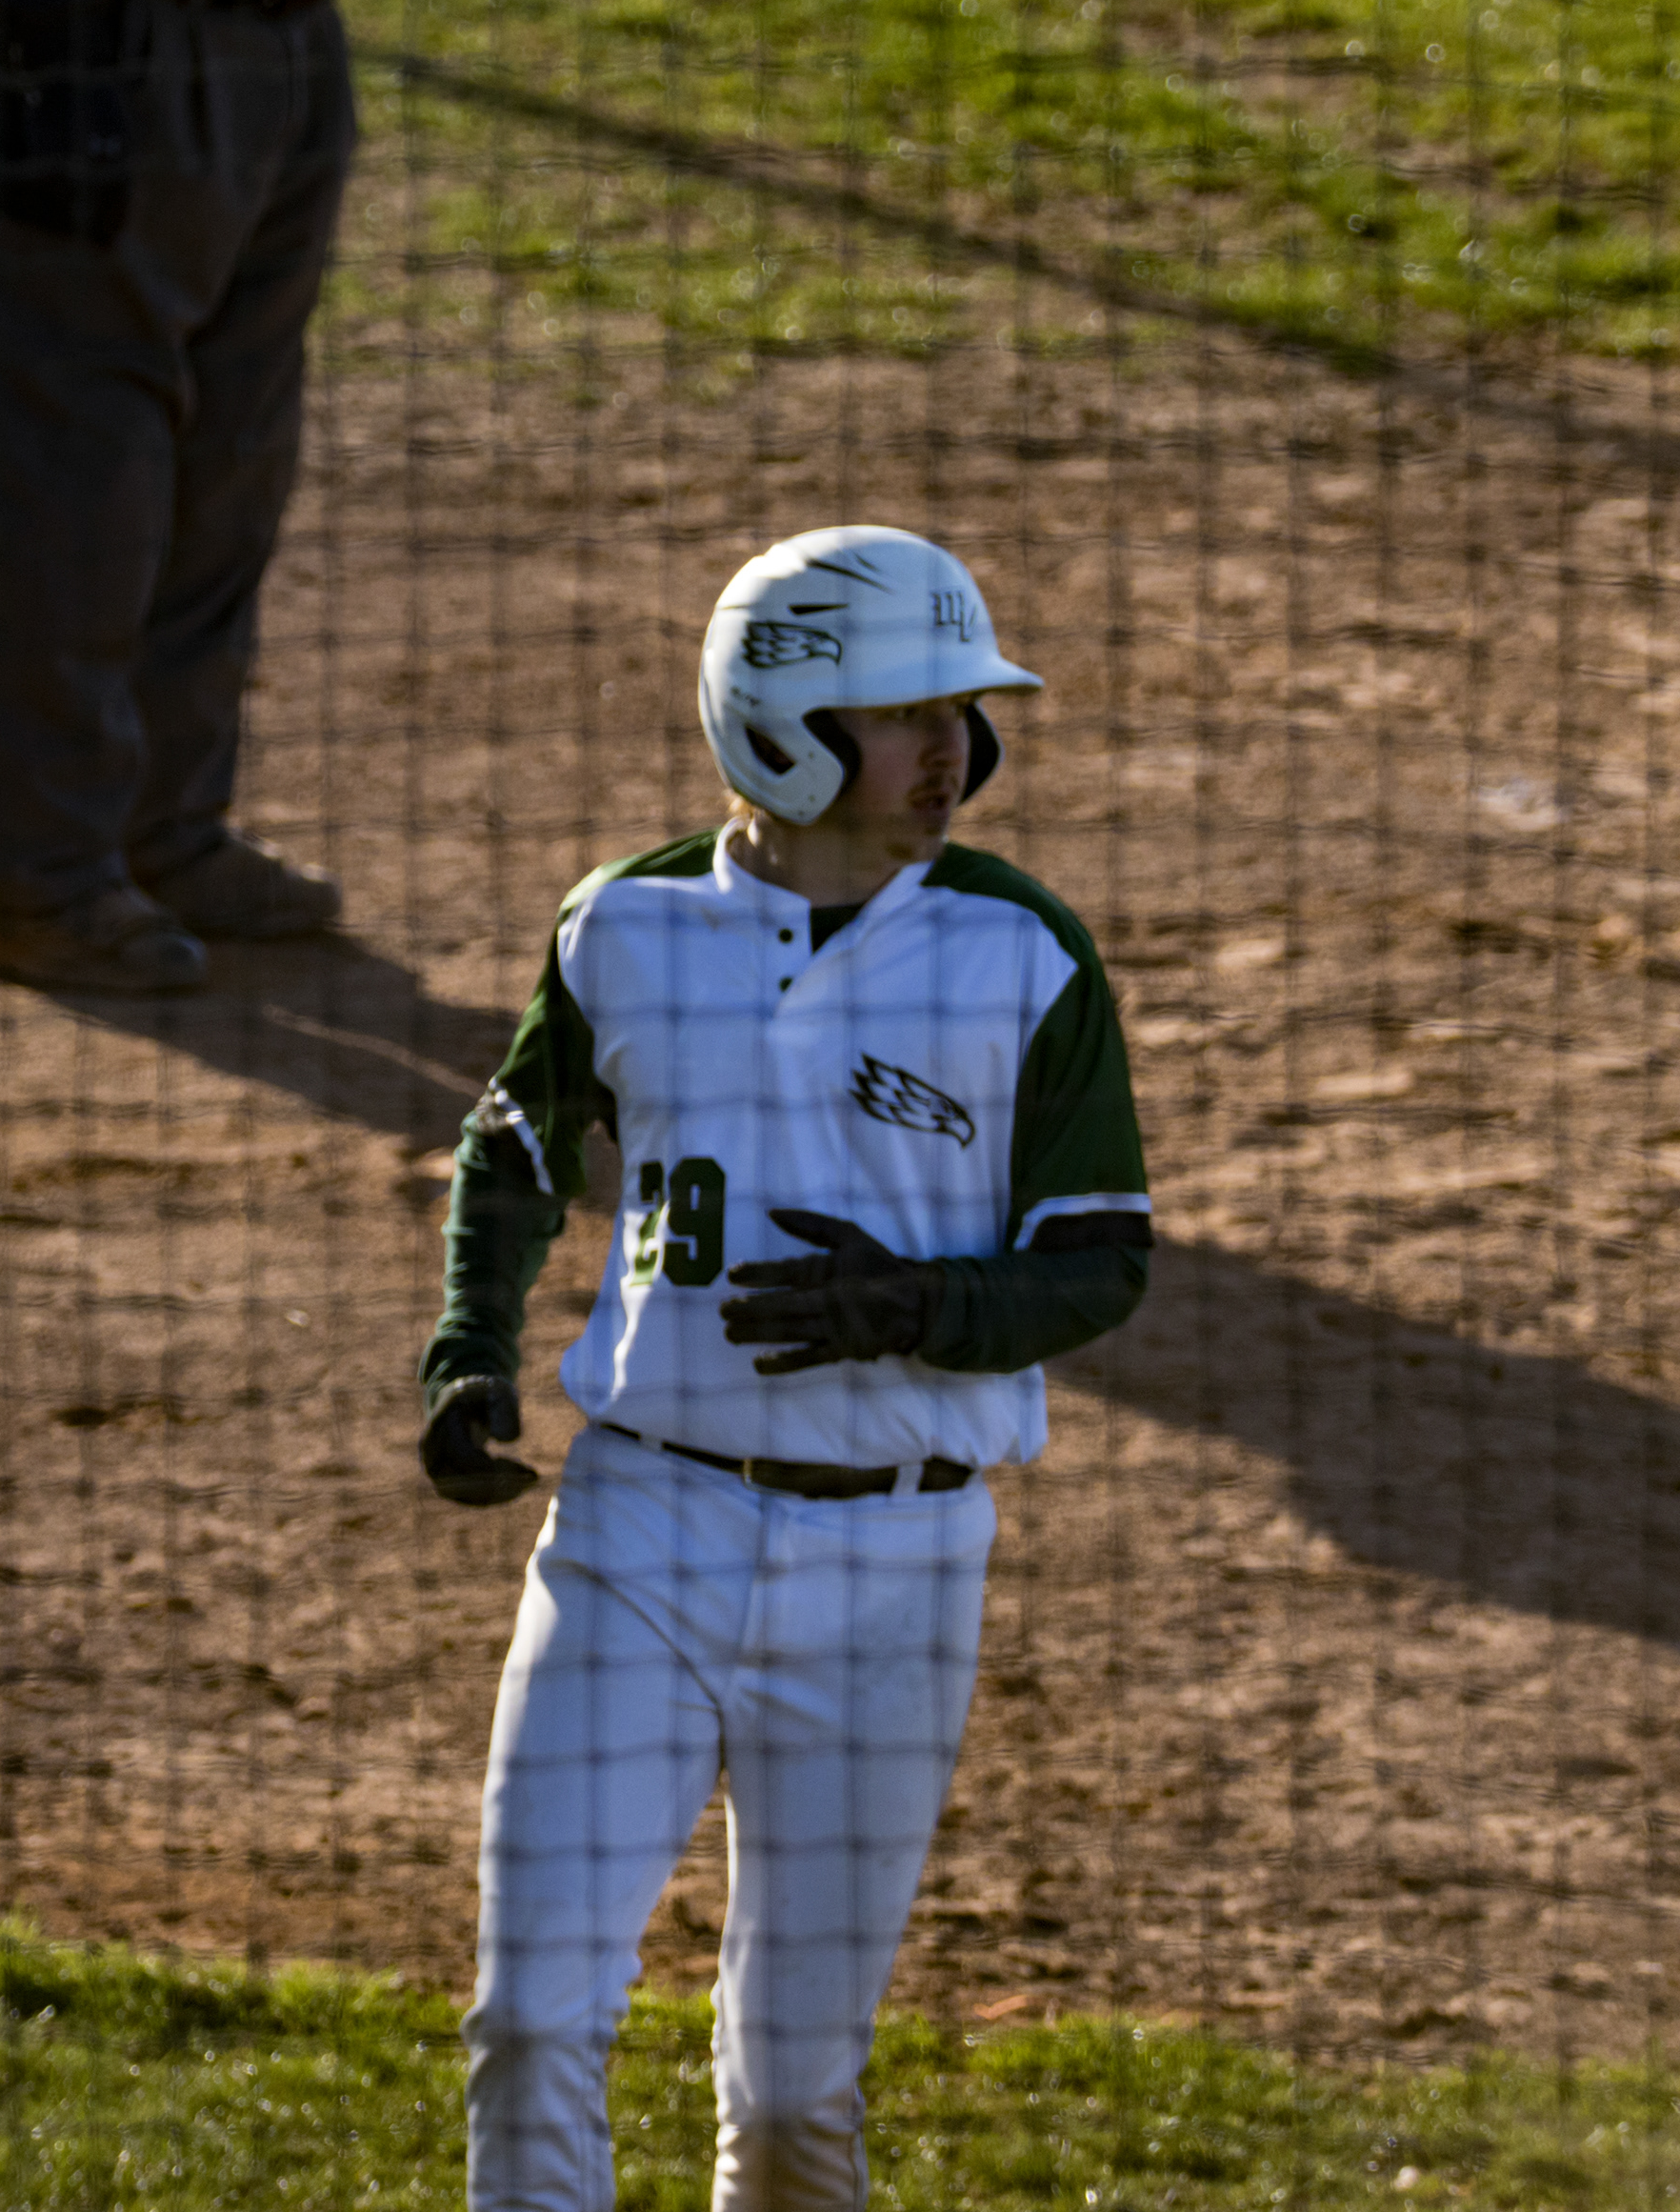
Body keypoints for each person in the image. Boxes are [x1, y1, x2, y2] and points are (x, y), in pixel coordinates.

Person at [416, 526, 1155, 2211]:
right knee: (530, 2021)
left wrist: (923, 1307)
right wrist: (470, 1345)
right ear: (779, 724)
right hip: (640, 1531)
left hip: (899, 1558)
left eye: (962, 712)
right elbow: (513, 1149)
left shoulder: (1023, 951)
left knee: (797, 2100)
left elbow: (1102, 1258)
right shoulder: (626, 923)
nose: (949, 752)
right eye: (904, 715)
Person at [0, 0, 504, 995]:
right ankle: (29, 882)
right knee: (82, 485)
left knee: (229, 470)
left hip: (290, 41)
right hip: (107, 48)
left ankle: (162, 833)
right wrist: (75, 17)